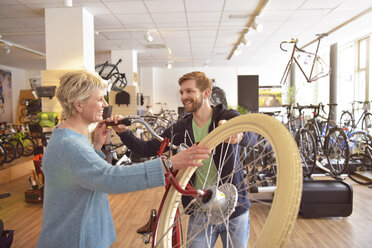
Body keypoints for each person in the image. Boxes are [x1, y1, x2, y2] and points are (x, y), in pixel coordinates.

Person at [36, 71, 211, 248]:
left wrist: (96, 148)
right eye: (99, 99)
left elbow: (84, 176)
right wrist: (170, 163)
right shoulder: (70, 144)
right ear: (79, 105)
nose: (105, 104)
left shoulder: (69, 137)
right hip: (74, 239)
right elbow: (108, 178)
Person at [111, 71, 256, 247]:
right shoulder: (180, 128)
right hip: (200, 210)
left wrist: (239, 135)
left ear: (206, 93)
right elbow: (146, 149)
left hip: (234, 209)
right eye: (181, 92)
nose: (184, 97)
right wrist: (123, 133)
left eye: (189, 91)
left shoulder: (227, 117)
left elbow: (252, 137)